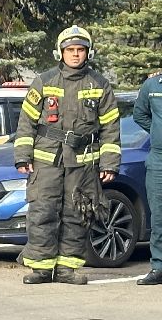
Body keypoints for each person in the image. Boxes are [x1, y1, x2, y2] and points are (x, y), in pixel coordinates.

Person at [13, 26, 121, 285]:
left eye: (80, 50)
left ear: (88, 53)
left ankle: (67, 269)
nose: (75, 54)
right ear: (60, 53)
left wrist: (110, 163)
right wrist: (22, 156)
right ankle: (40, 268)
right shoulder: (44, 81)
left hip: (83, 163)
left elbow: (110, 128)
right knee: (42, 212)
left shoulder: (100, 85)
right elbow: (26, 121)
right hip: (46, 161)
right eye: (70, 50)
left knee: (78, 213)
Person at [133, 66, 162, 286]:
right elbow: (139, 114)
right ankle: (159, 267)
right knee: (159, 216)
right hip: (158, 160)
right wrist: (156, 131)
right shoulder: (152, 85)